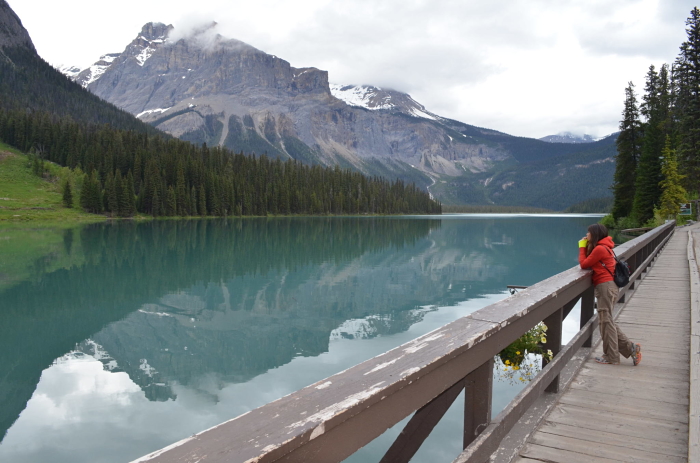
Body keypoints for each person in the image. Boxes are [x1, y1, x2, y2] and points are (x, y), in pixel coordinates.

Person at [578, 223, 642, 366]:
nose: (586, 235)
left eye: (588, 233)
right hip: (609, 287)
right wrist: (587, 245)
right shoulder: (605, 246)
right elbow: (591, 261)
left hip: (605, 287)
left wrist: (582, 246)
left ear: (594, 234)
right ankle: (630, 348)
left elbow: (584, 264)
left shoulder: (600, 248)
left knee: (606, 322)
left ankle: (611, 357)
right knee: (607, 321)